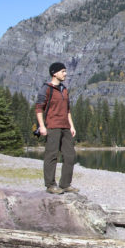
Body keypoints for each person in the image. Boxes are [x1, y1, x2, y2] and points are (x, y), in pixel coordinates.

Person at [35, 62, 77, 194]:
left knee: (70, 156)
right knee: (51, 155)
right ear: (55, 73)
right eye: (63, 71)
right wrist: (42, 126)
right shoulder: (46, 88)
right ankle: (50, 185)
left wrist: (71, 126)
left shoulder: (64, 89)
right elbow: (39, 108)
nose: (65, 74)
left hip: (65, 127)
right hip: (52, 126)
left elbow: (68, 110)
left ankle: (65, 184)